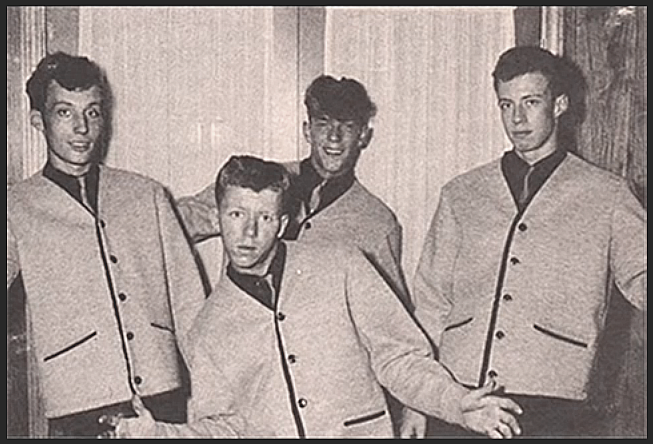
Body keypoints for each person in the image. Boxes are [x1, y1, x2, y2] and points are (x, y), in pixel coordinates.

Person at [111, 155, 523, 438]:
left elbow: (400, 358)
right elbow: (226, 427)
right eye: (237, 215)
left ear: (282, 223)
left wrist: (456, 403)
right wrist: (160, 433)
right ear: (218, 216)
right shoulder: (208, 327)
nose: (249, 233)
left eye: (264, 217)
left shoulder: (342, 264)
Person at [412, 45, 647, 437]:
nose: (517, 119)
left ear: (559, 105)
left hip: (552, 405)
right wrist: (419, 400)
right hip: (460, 400)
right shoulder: (461, 194)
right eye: (506, 105)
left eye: (531, 102)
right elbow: (431, 304)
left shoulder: (607, 195)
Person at [175, 74, 420, 435]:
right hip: (253, 393)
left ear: (363, 136)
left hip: (326, 407)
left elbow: (391, 328)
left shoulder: (376, 221)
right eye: (323, 124)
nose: (333, 137)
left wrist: (413, 407)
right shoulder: (262, 184)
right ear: (307, 130)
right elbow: (177, 223)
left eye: (347, 126)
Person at [6, 52, 206, 437]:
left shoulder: (146, 194)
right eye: (64, 112)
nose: (81, 127)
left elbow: (189, 302)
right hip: (80, 407)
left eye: (93, 112)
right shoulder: (16, 206)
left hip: (164, 397)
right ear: (38, 121)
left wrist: (209, 395)